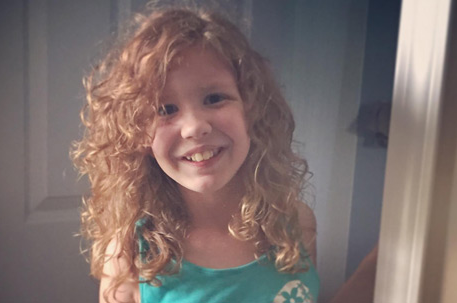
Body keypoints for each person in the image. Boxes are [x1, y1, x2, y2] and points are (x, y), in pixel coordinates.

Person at [72, 6, 322, 303]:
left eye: (214, 98)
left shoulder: (296, 222)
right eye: (165, 109)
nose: (194, 127)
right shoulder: (129, 255)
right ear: (137, 133)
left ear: (251, 108)